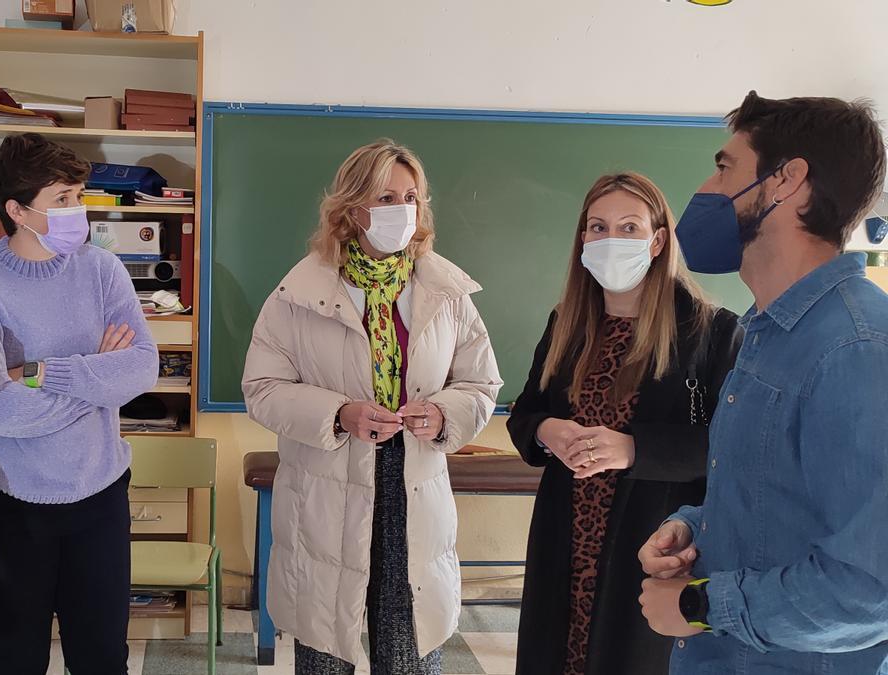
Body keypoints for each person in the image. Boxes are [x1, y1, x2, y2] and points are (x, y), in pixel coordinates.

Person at [638, 92, 888, 674]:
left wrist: (701, 604)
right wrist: (691, 528)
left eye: (725, 166)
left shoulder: (856, 349)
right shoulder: (768, 331)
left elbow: (869, 588)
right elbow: (771, 504)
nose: (707, 185)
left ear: (787, 181)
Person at [242, 139, 502, 674]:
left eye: (412, 197)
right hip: (326, 492)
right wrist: (339, 414)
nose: (403, 211)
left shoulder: (447, 292)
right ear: (351, 207)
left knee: (409, 651)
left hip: (414, 490)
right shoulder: (298, 293)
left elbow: (480, 382)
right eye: (386, 197)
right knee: (325, 650)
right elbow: (262, 388)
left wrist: (444, 413)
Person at [507, 172, 742, 675]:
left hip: (651, 539)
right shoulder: (567, 323)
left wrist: (633, 449)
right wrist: (548, 432)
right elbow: (526, 412)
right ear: (583, 240)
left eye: (629, 227)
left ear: (658, 240)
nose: (611, 240)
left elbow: (730, 448)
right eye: (597, 227)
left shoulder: (711, 330)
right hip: (563, 535)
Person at [0, 133, 159, 675]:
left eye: (79, 196)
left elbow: (142, 367)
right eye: (61, 199)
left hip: (99, 494)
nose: (77, 210)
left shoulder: (102, 269)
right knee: (16, 657)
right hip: (10, 503)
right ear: (17, 210)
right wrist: (94, 381)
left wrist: (39, 373)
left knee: (102, 656)